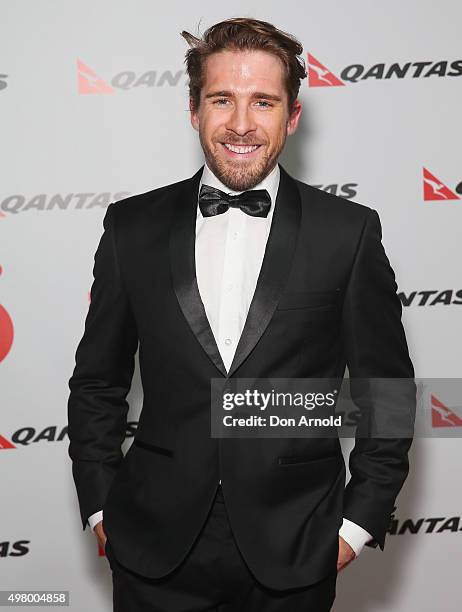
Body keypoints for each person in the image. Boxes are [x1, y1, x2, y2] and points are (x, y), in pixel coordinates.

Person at [67, 17, 416, 611]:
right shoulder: (132, 228)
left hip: (299, 544)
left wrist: (355, 527)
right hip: (153, 546)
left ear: (293, 116)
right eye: (222, 99)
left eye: (263, 102)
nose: (241, 124)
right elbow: (98, 382)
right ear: (194, 111)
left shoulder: (348, 233)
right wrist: (102, 505)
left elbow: (388, 392)